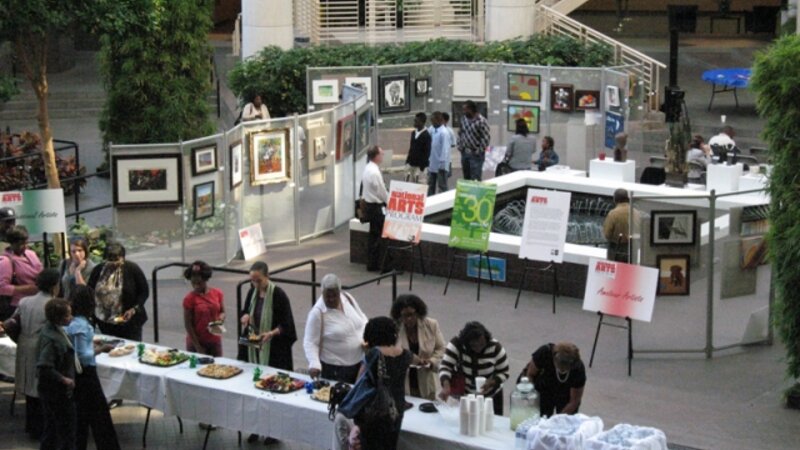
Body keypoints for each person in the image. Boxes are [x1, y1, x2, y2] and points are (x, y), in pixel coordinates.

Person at [5, 269, 60, 439]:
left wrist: (19, 340)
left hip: (24, 344)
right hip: (41, 347)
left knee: (30, 388)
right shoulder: (53, 304)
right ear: (54, 286)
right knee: (42, 388)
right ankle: (44, 430)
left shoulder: (25, 302)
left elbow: (11, 324)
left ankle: (32, 427)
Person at [65, 286, 121, 450]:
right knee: (100, 417)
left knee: (80, 418)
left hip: (77, 375)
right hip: (87, 375)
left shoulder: (72, 323)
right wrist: (101, 349)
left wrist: (91, 342)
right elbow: (84, 356)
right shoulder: (82, 325)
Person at [353, 317, 414, 450]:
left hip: (374, 414)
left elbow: (358, 386)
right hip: (395, 410)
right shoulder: (405, 355)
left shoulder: (372, 356)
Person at [304, 274, 368, 383]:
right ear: (322, 292)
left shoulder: (348, 298)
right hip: (336, 369)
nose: (331, 299)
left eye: (335, 295)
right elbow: (310, 342)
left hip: (358, 363)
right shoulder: (317, 313)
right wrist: (314, 363)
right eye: (327, 296)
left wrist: (366, 339)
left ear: (340, 292)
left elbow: (362, 319)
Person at [438, 321, 510, 415]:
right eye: (473, 346)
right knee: (468, 422)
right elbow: (445, 366)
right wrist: (446, 386)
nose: (478, 349)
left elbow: (504, 372)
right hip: (467, 396)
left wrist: (492, 382)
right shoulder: (457, 344)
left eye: (482, 345)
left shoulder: (495, 347)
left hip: (491, 396)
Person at [238, 261, 296, 369]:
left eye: (259, 281)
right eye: (253, 281)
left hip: (274, 347)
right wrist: (245, 316)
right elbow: (245, 311)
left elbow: (287, 324)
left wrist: (271, 333)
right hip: (254, 341)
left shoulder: (278, 295)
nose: (255, 284)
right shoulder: (252, 292)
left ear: (267, 276)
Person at [36, 298, 78, 450]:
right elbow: (44, 366)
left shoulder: (52, 330)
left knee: (52, 428)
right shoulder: (53, 339)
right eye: (68, 316)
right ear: (59, 318)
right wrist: (64, 380)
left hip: (50, 391)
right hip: (56, 392)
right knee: (65, 431)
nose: (71, 318)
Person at [87, 242, 149, 341]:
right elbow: (89, 291)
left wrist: (134, 309)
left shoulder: (132, 269)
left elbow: (144, 291)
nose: (114, 263)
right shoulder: (98, 270)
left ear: (123, 258)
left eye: (117, 259)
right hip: (104, 321)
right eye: (110, 260)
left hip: (129, 321)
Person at [391, 294, 446, 401]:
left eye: (412, 314)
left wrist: (431, 362)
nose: (408, 319)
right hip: (403, 382)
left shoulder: (431, 325)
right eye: (404, 316)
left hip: (426, 382)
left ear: (418, 312)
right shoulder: (394, 329)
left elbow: (441, 348)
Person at [524, 342, 586, 418]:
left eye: (566, 369)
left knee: (566, 421)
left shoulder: (578, 369)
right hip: (544, 388)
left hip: (565, 394)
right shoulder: (544, 352)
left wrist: (556, 420)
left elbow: (574, 401)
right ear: (554, 358)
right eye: (560, 368)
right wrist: (531, 397)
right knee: (540, 416)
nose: (562, 371)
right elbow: (530, 374)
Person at [182, 261, 225, 357]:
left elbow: (222, 312)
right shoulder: (189, 299)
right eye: (193, 283)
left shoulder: (217, 293)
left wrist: (220, 319)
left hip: (214, 340)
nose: (196, 286)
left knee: (218, 369)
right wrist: (198, 347)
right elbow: (188, 325)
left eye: (199, 283)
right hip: (197, 342)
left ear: (205, 280)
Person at [0, 226, 42, 320]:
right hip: (17, 307)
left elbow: (40, 270)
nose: (24, 246)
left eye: (26, 243)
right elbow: (2, 288)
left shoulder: (31, 254)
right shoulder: (6, 261)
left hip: (36, 303)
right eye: (20, 244)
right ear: (12, 243)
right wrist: (26, 289)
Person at [360, 146, 389, 272]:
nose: (383, 155)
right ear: (376, 156)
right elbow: (381, 191)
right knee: (379, 237)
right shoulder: (375, 172)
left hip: (369, 205)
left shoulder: (367, 168)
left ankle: (371, 264)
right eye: (382, 153)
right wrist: (389, 202)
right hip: (376, 207)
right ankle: (381, 264)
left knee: (373, 236)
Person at [457, 100, 491, 181]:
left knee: (475, 178)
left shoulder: (481, 121)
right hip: (465, 153)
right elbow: (460, 133)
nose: (463, 111)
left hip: (475, 155)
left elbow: (486, 138)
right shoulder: (464, 119)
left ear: (471, 109)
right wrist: (460, 146)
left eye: (465, 109)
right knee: (466, 178)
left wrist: (478, 151)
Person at [603, 188, 638, 262]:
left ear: (615, 199)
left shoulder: (613, 214)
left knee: (616, 271)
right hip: (632, 248)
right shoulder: (636, 212)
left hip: (616, 249)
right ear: (627, 198)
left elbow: (607, 234)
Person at [427, 111, 452, 195]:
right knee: (430, 185)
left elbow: (445, 149)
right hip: (432, 163)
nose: (432, 123)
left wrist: (442, 163)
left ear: (438, 120)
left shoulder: (444, 133)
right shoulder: (433, 129)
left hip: (441, 164)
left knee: (442, 186)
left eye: (433, 120)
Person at [405, 112, 431, 182]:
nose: (414, 122)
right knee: (409, 185)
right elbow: (411, 148)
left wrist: (422, 167)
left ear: (422, 122)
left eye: (416, 121)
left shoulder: (426, 135)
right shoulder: (413, 133)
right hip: (411, 164)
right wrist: (407, 161)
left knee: (420, 187)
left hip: (420, 167)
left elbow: (427, 152)